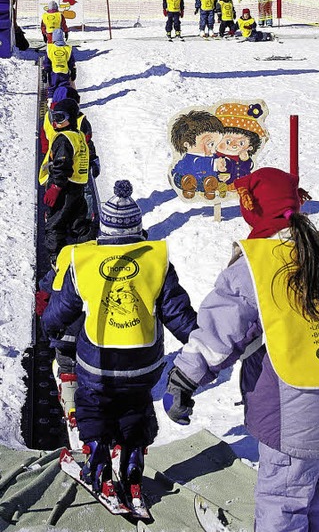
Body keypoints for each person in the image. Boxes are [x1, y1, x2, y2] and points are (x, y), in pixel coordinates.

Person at [163, 167, 319, 532]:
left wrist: (184, 377)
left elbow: (219, 330)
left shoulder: (259, 263)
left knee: (284, 500)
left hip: (291, 408)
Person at [42, 181, 197, 507]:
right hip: (144, 365)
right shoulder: (156, 261)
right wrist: (201, 340)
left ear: (105, 227)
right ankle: (131, 467)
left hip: (97, 363)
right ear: (137, 227)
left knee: (94, 405)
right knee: (135, 406)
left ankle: (97, 462)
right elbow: (177, 314)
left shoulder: (84, 262)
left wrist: (49, 327)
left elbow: (61, 310)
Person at [39, 98, 92, 262]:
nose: (56, 122)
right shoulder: (79, 136)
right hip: (78, 187)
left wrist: (55, 186)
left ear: (71, 118)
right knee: (78, 221)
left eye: (60, 117)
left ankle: (56, 259)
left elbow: (63, 165)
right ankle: (86, 251)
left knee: (55, 223)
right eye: (54, 117)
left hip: (65, 188)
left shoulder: (63, 138)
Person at [43, 28, 77, 94]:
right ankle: (63, 99)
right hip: (64, 73)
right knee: (64, 88)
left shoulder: (50, 49)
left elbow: (47, 62)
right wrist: (73, 71)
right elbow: (71, 62)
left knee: (52, 87)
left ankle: (51, 101)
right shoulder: (67, 49)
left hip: (53, 73)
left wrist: (45, 71)